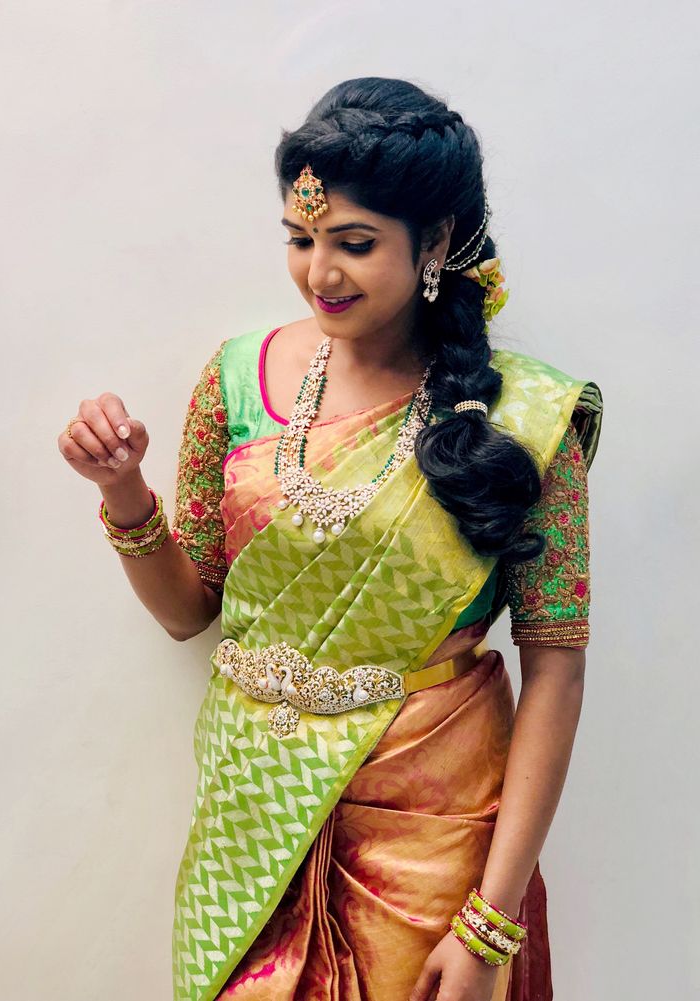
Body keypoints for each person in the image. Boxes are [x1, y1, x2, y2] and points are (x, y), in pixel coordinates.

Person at [57, 77, 603, 1001]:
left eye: (354, 244)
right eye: (300, 240)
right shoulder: (234, 380)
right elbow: (191, 614)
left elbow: (556, 666)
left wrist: (491, 921)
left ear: (433, 242)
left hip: (430, 837)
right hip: (250, 818)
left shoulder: (526, 418)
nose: (321, 273)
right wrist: (122, 494)